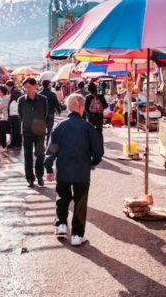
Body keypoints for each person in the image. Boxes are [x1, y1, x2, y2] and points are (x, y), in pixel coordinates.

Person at [45, 94, 103, 246]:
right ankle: (77, 235)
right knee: (80, 202)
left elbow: (52, 149)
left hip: (63, 170)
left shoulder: (59, 126)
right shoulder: (88, 127)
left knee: (62, 198)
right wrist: (94, 162)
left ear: (69, 106)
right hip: (82, 172)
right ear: (81, 107)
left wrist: (49, 168)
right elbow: (98, 151)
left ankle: (61, 225)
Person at [18, 77, 48, 187]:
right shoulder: (21, 100)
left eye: (29, 87)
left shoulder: (43, 99)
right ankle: (30, 178)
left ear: (35, 86)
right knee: (28, 155)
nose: (27, 89)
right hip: (27, 132)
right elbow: (20, 115)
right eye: (25, 87)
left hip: (40, 131)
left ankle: (40, 176)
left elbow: (45, 114)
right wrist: (27, 123)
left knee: (40, 154)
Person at [39, 80, 62, 145]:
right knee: (49, 129)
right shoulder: (52, 94)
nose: (51, 86)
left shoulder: (39, 94)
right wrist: (59, 111)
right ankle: (47, 143)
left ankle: (41, 143)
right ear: (48, 86)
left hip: (41, 114)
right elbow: (56, 103)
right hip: (50, 113)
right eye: (50, 85)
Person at [6, 80, 22, 149]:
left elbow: (17, 102)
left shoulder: (15, 91)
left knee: (16, 129)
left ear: (9, 86)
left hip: (15, 114)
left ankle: (17, 144)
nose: (6, 88)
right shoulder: (15, 91)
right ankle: (14, 143)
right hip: (15, 114)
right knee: (15, 129)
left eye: (7, 86)